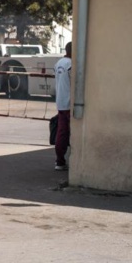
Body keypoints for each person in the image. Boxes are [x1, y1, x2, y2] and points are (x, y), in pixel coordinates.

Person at [54, 42, 73, 171]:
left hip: (60, 103)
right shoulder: (71, 64)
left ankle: (60, 161)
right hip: (70, 103)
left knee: (61, 133)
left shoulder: (58, 63)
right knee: (74, 134)